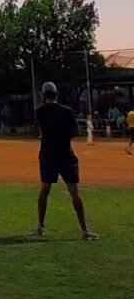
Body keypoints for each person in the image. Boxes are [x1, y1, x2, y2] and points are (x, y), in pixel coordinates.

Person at [34, 82, 98, 240]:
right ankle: (84, 230)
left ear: (43, 95)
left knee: (44, 190)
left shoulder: (39, 112)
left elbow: (40, 131)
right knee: (74, 191)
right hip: (65, 153)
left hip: (47, 154)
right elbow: (76, 132)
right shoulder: (67, 111)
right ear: (56, 94)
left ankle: (40, 226)